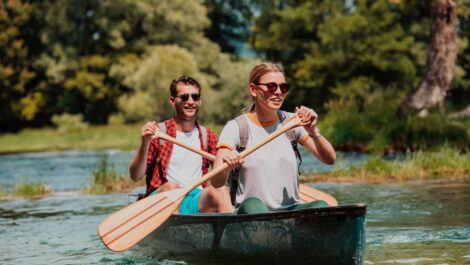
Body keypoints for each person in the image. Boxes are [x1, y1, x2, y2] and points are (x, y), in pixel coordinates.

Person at [212, 62, 336, 214]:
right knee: (253, 204)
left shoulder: (293, 123)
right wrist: (227, 166)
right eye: (271, 86)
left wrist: (313, 130)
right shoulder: (237, 127)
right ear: (253, 89)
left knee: (321, 205)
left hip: (290, 210)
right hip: (250, 212)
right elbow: (216, 182)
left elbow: (330, 159)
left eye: (283, 88)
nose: (278, 92)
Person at [129, 75, 233, 214]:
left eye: (195, 97)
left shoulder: (208, 136)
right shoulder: (158, 133)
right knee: (172, 188)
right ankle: (178, 233)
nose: (190, 101)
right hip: (162, 198)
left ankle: (233, 231)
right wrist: (144, 143)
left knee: (220, 190)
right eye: (184, 97)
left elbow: (219, 177)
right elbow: (135, 176)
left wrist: (229, 165)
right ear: (172, 101)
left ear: (200, 101)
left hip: (195, 197)